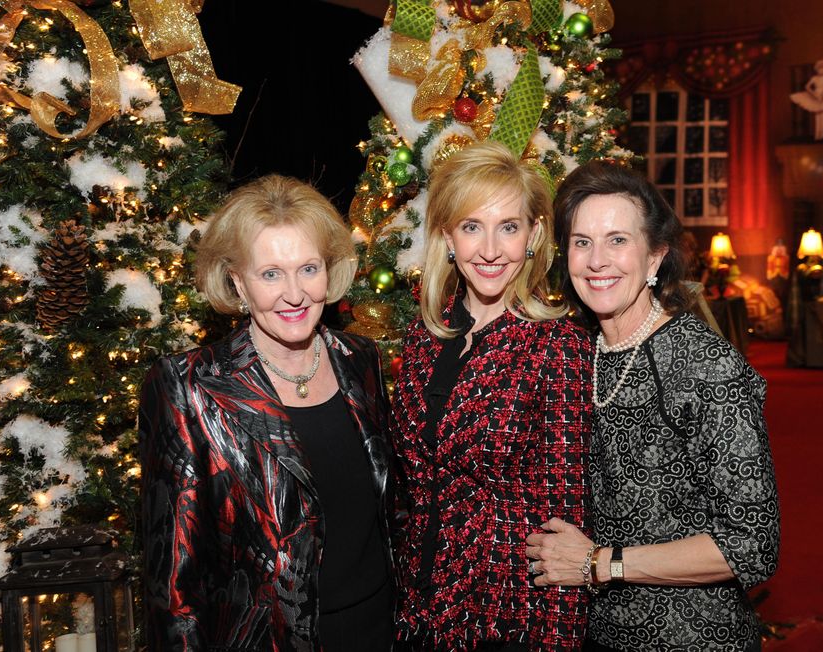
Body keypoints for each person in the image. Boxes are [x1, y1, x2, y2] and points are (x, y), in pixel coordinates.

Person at [525, 161, 780, 652]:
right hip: (598, 631)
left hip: (693, 635)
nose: (597, 260)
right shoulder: (579, 351)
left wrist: (600, 562)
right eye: (582, 242)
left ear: (655, 258)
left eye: (618, 240)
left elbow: (752, 544)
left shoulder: (702, 364)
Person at [139, 175, 394, 650]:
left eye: (309, 269)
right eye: (270, 273)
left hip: (380, 629)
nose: (295, 294)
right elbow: (171, 586)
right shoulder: (189, 385)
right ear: (237, 280)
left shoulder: (362, 360)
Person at [390, 141, 593, 650]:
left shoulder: (557, 344)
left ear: (534, 235)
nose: (490, 249)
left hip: (504, 614)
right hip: (418, 603)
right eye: (471, 226)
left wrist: (558, 640)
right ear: (447, 237)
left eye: (508, 226)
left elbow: (565, 516)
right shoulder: (424, 336)